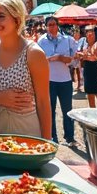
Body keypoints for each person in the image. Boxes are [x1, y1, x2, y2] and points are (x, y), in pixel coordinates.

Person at [0, 0, 51, 139]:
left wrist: (47, 142)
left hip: (24, 128)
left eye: (1, 16)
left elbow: (43, 102)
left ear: (17, 19)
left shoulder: (33, 53)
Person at [36, 16, 78, 146]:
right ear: (45, 27)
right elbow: (38, 60)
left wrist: (60, 57)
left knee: (67, 110)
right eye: (49, 25)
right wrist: (49, 59)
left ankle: (70, 137)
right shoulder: (41, 41)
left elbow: (72, 59)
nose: (52, 27)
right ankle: (52, 137)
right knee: (50, 109)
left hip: (65, 79)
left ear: (57, 25)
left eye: (54, 24)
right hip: (49, 80)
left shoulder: (67, 40)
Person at [79, 26, 97, 108]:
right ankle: (92, 112)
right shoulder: (84, 45)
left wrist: (87, 56)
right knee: (90, 94)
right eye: (88, 34)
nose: (90, 36)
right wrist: (83, 56)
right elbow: (78, 55)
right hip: (88, 69)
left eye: (92, 34)